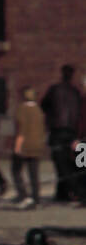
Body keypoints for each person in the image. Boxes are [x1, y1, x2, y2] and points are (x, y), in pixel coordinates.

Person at [41, 64, 81, 203]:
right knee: (70, 164)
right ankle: (62, 192)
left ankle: (74, 192)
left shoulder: (55, 90)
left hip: (58, 131)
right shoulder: (76, 92)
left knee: (62, 165)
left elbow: (44, 105)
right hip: (72, 132)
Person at [11, 85, 45, 208]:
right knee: (34, 173)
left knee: (16, 171)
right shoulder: (38, 110)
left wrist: (17, 146)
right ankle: (36, 198)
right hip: (37, 144)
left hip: (25, 145)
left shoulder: (22, 109)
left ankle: (23, 195)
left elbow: (21, 129)